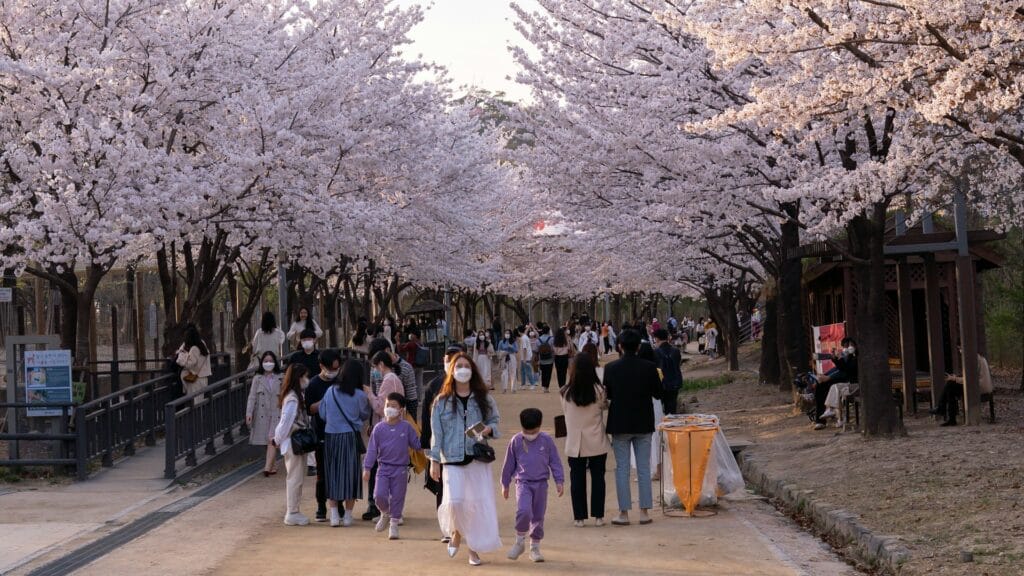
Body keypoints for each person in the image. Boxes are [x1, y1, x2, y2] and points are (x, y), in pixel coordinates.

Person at [428, 353, 502, 566]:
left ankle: (473, 549)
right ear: (451, 370)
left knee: (475, 505)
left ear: (473, 370)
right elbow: (436, 433)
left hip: (477, 458)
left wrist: (489, 429)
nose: (462, 369)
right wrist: (434, 460)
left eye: (466, 366)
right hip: (451, 459)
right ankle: (456, 532)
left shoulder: (483, 397)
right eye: (458, 366)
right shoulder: (441, 402)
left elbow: (495, 422)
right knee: (455, 502)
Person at [604, 329, 661, 526]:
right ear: (638, 347)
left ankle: (624, 513)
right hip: (643, 421)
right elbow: (658, 393)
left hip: (620, 423)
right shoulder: (649, 367)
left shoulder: (610, 368)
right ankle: (644, 512)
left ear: (619, 346)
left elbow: (608, 394)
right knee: (644, 468)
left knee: (622, 469)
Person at [310, 359, 371, 527]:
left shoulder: (330, 391)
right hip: (350, 437)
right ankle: (349, 516)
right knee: (350, 474)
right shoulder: (359, 395)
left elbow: (322, 413)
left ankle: (334, 515)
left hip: (331, 436)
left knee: (333, 474)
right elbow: (364, 414)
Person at [501, 408, 564, 563]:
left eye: (533, 431)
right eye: (526, 431)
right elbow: (508, 464)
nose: (530, 434)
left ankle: (535, 548)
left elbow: (555, 461)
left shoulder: (546, 441)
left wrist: (559, 480)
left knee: (538, 516)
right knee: (524, 511)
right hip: (523, 483)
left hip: (541, 484)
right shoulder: (516, 441)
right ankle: (519, 541)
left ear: (540, 426)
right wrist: (505, 483)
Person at [560, 352, 610, 527]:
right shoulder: (599, 390)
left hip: (575, 442)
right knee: (598, 478)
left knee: (577, 479)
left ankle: (579, 517)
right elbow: (604, 406)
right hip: (596, 439)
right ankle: (598, 516)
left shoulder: (565, 392)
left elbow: (566, 412)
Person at [363, 393, 421, 540]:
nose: (389, 408)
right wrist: (367, 468)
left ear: (401, 410)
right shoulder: (379, 428)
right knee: (379, 495)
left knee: (397, 497)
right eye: (388, 405)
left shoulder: (406, 427)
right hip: (383, 468)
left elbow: (417, 444)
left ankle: (394, 525)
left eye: (394, 406)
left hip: (400, 469)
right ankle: (385, 512)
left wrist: (427, 441)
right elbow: (371, 450)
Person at [421, 344, 465, 520]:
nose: (452, 364)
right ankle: (446, 524)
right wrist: (426, 443)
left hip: (464, 444)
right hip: (441, 444)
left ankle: (461, 522)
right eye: (449, 360)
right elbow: (426, 416)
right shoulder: (434, 385)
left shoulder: (471, 385)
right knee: (442, 484)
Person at [362, 349, 406, 521]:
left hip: (388, 428)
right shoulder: (395, 379)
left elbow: (380, 406)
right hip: (395, 427)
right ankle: (394, 511)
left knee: (385, 471)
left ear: (380, 365)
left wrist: (369, 394)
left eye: (375, 366)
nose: (374, 370)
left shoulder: (388, 380)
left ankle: (391, 512)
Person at [303, 348, 341, 522]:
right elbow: (309, 409)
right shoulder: (313, 384)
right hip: (321, 431)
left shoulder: (341, 381)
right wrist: (327, 399)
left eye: (336, 368)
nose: (334, 372)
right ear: (321, 366)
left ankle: (339, 504)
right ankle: (321, 506)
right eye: (331, 368)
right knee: (322, 473)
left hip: (340, 432)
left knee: (339, 471)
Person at [271, 363, 311, 526]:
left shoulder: (294, 395)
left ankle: (294, 510)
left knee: (296, 477)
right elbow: (285, 422)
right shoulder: (293, 398)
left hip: (293, 442)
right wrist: (277, 439)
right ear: (298, 378)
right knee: (295, 477)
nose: (307, 380)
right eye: (305, 376)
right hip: (293, 442)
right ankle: (292, 511)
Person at [932, 350, 993, 426]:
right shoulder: (978, 357)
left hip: (979, 387)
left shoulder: (974, 358)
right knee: (950, 387)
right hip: (979, 385)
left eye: (960, 349)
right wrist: (956, 378)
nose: (960, 351)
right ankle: (944, 411)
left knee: (950, 385)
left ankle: (945, 411)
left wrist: (955, 379)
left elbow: (971, 379)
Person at [247, 351, 282, 476]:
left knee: (272, 439)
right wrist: (249, 413)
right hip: (262, 413)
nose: (268, 363)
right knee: (266, 440)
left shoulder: (280, 377)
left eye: (271, 361)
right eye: (265, 361)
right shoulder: (257, 378)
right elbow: (252, 397)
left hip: (277, 412)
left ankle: (267, 468)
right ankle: (272, 465)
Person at [813, 338, 858, 430]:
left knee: (828, 385)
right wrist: (826, 374)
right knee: (820, 385)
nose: (847, 348)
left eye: (849, 345)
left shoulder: (856, 356)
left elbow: (846, 371)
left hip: (847, 381)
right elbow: (839, 368)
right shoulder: (848, 356)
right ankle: (820, 420)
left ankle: (830, 411)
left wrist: (829, 377)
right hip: (843, 379)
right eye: (845, 346)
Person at [175, 323, 211, 402]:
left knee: (195, 404)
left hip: (195, 380)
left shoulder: (194, 348)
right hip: (203, 377)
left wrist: (180, 360)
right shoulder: (202, 345)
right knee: (200, 402)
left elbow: (189, 364)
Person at [652, 329, 682, 415]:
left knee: (661, 409)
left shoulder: (655, 352)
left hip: (662, 384)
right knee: (672, 408)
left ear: (657, 339)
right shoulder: (676, 351)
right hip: (675, 383)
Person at [535, 326, 555, 393]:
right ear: (548, 331)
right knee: (548, 373)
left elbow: (536, 350)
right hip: (550, 359)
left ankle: (543, 386)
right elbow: (553, 349)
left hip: (542, 359)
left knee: (543, 373)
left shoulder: (538, 340)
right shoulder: (552, 339)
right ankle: (547, 387)